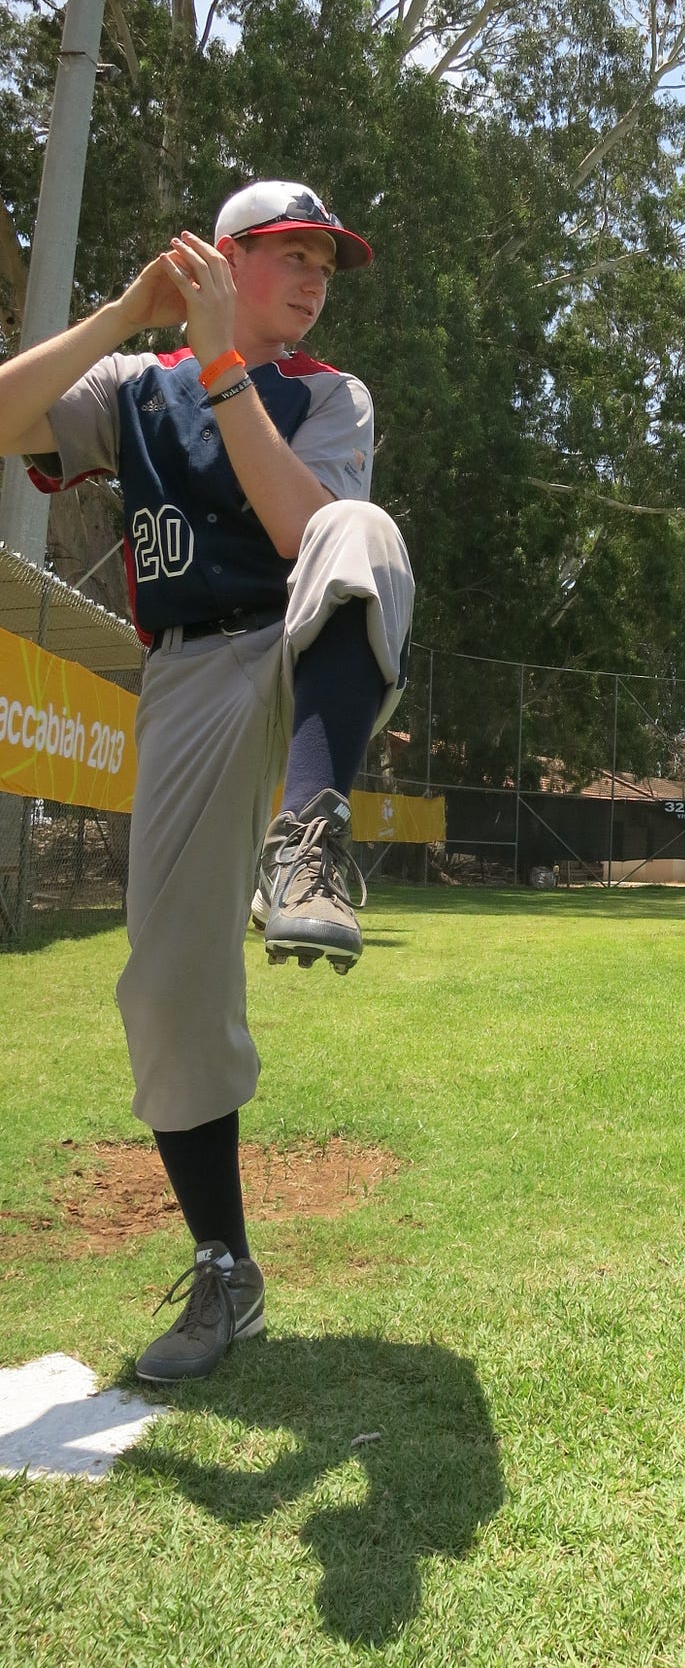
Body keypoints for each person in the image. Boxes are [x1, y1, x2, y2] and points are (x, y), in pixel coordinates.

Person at [0, 181, 415, 1381]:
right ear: (220, 260)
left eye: (325, 260)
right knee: (167, 986)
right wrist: (125, 315)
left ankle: (313, 831)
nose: (316, 274)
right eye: (291, 253)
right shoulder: (133, 389)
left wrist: (226, 363)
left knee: (362, 532)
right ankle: (226, 1270)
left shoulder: (327, 392)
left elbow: (303, 532)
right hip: (184, 680)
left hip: (298, 652)